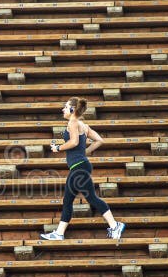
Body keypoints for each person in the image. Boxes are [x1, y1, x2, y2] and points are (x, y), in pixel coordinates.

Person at [40, 97, 125, 241]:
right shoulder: (83, 125)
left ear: (72, 109)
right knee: (67, 200)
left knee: (91, 197)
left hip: (79, 167)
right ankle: (59, 233)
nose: (63, 109)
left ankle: (115, 225)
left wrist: (58, 148)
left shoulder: (73, 122)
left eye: (65, 107)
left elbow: (74, 142)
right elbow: (99, 140)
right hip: (79, 166)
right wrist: (85, 152)